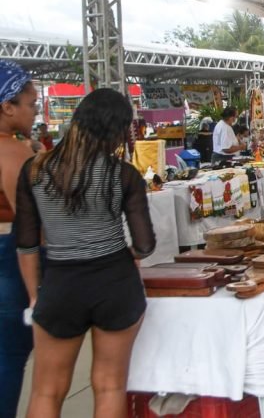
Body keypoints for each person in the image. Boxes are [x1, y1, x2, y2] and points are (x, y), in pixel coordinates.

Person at [16, 88, 155, 418]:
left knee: (47, 391)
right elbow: (145, 244)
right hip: (115, 283)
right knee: (109, 386)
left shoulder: (34, 170)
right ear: (117, 129)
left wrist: (34, 295)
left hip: (61, 283)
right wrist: (130, 254)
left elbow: (26, 242)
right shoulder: (123, 174)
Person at [0, 61, 37, 417]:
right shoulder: (10, 151)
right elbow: (31, 222)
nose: (35, 111)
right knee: (8, 356)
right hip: (8, 259)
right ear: (7, 106)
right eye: (30, 104)